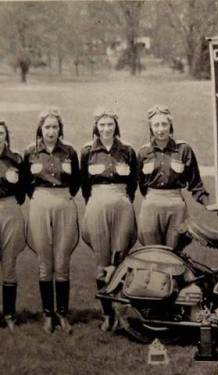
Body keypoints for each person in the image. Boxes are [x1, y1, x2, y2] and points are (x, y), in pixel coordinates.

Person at [80, 108, 137, 331]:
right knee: (102, 262)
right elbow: (83, 185)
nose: (106, 129)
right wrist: (96, 202)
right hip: (97, 203)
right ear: (96, 127)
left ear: (116, 126)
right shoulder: (87, 152)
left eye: (110, 124)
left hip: (122, 203)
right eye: (102, 125)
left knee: (121, 260)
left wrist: (122, 199)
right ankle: (107, 314)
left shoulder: (128, 151)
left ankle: (121, 312)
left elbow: (133, 183)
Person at [23, 109, 80, 334]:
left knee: (62, 260)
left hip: (64, 202)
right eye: (47, 127)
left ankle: (62, 314)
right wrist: (39, 198)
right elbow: (25, 184)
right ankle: (48, 314)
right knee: (44, 262)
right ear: (40, 129)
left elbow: (76, 181)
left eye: (55, 127)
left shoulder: (69, 152)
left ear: (60, 129)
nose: (51, 131)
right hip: (39, 202)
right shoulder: (30, 152)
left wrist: (63, 196)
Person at [137, 105, 209, 249]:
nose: (160, 129)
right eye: (156, 125)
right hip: (151, 207)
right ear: (150, 128)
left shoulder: (184, 149)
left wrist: (208, 203)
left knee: (174, 253)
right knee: (153, 253)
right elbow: (140, 183)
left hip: (176, 207)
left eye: (164, 124)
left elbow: (195, 183)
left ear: (171, 125)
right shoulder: (143, 152)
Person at [0, 121, 26, 331]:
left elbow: (23, 191)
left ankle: (9, 313)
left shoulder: (16, 158)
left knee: (9, 262)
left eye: (0, 133)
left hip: (10, 209)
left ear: (6, 136)